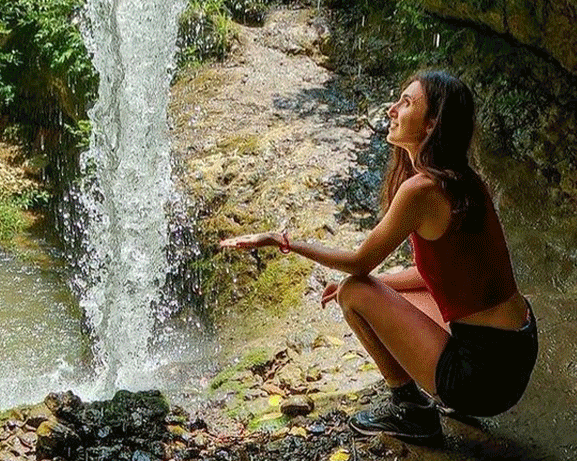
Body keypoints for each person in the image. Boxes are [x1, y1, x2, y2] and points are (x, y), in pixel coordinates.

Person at [219, 70, 537, 444]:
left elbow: (358, 263)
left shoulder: (421, 190)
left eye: (407, 103)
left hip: (479, 377)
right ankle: (438, 398)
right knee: (381, 286)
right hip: (517, 351)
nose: (392, 109)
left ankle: (412, 410)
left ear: (432, 123)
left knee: (353, 292)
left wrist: (283, 241)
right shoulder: (464, 180)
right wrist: (382, 290)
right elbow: (431, 275)